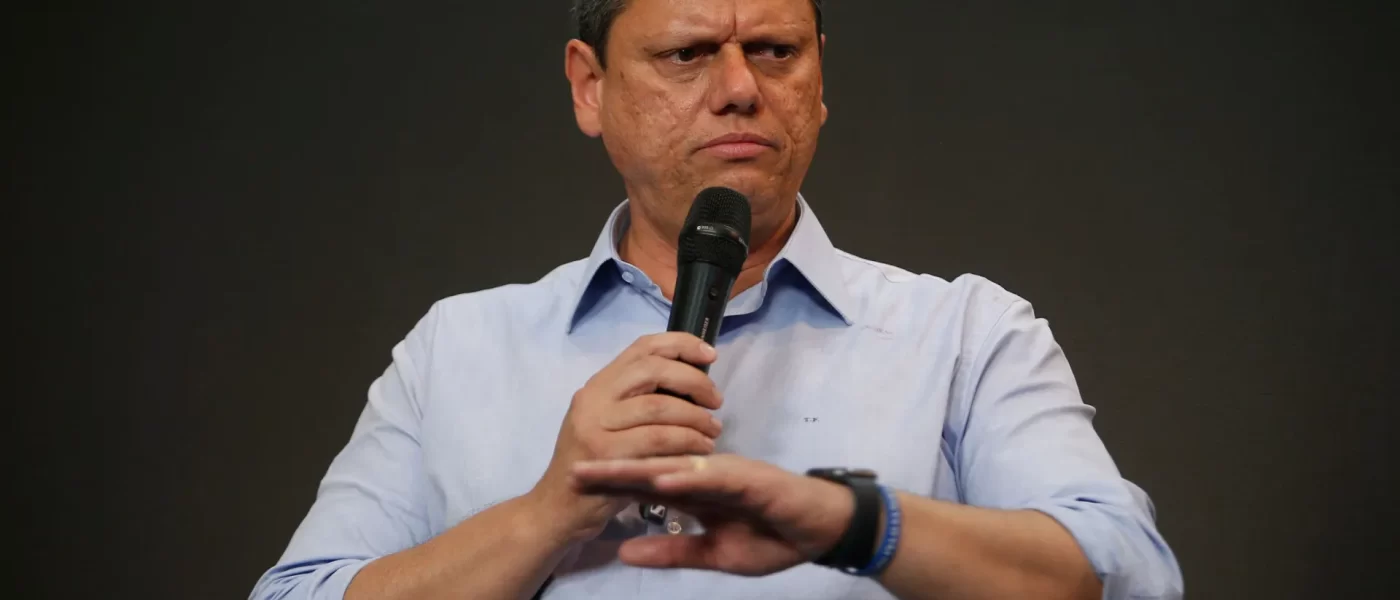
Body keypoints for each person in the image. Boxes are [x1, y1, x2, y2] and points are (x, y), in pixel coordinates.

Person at [251, 0, 1184, 598]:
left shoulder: (966, 335)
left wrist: (854, 521)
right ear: (590, 87)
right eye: (687, 54)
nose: (741, 89)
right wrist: (547, 513)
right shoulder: (457, 347)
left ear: (819, 79)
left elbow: (1128, 572)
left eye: (776, 50)